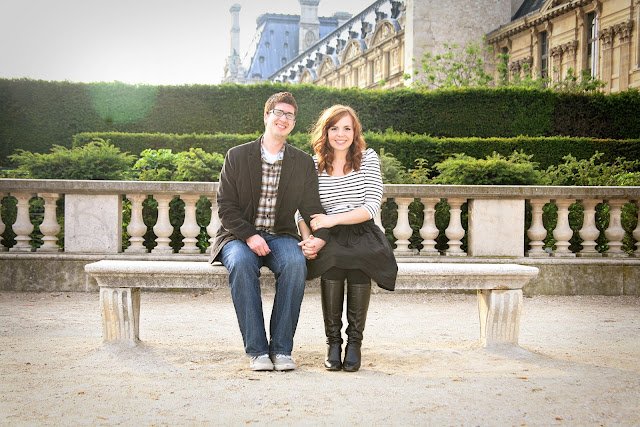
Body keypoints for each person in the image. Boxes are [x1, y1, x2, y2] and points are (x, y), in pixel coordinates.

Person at [209, 92, 330, 372]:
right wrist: (250, 235)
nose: (283, 119)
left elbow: (312, 207)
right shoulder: (237, 155)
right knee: (241, 263)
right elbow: (226, 206)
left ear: (293, 123)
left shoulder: (302, 162)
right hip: (238, 236)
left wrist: (320, 237)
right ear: (266, 116)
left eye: (290, 115)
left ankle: (281, 349)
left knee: (295, 264)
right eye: (278, 112)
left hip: (281, 235)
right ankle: (257, 351)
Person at [297, 105, 397, 372]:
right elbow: (300, 208)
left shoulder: (368, 158)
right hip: (326, 235)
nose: (340, 134)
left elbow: (371, 206)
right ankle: (333, 343)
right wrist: (308, 240)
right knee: (332, 260)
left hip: (361, 230)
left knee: (359, 260)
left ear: (355, 132)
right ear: (325, 131)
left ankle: (354, 344)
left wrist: (333, 219)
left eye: (347, 128)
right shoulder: (312, 164)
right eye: (334, 128)